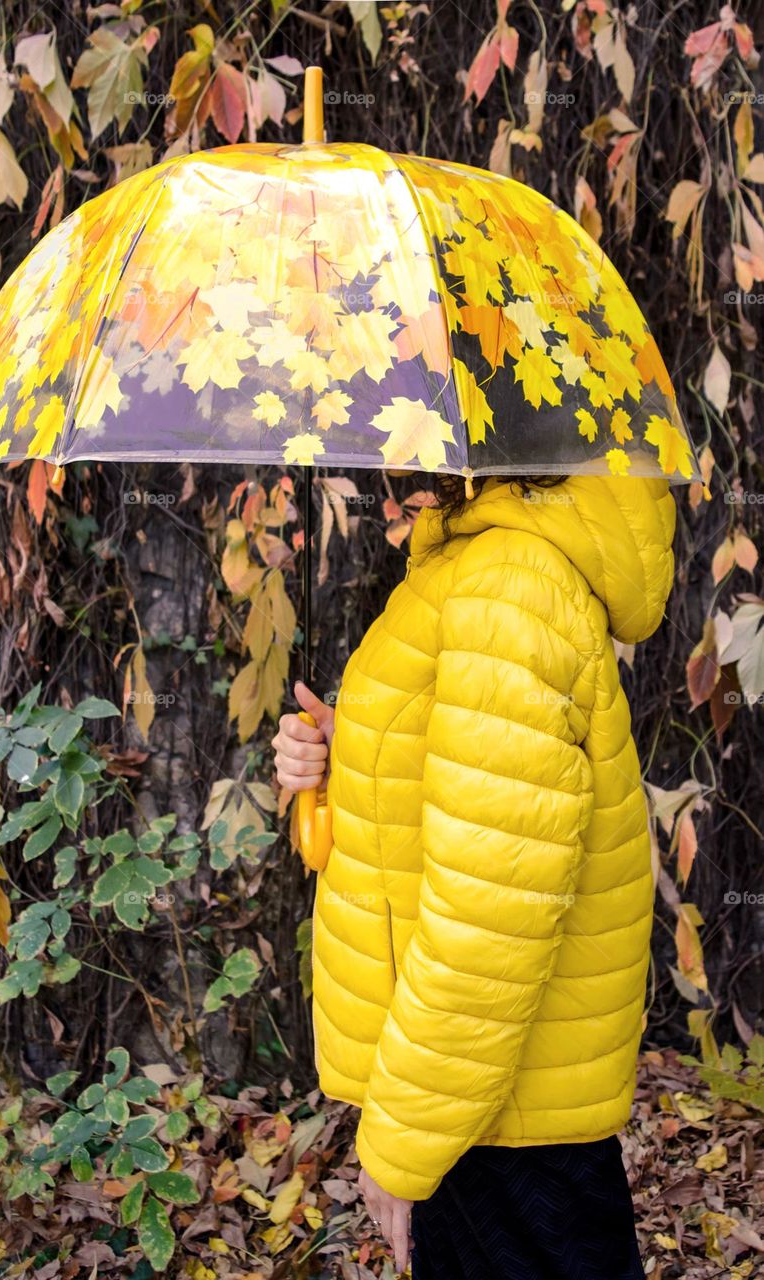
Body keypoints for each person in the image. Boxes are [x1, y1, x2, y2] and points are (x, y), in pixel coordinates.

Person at [272, 471, 677, 1279]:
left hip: (501, 1117)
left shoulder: (510, 589)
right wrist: (339, 761)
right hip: (479, 1101)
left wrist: (400, 1142)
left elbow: (490, 920)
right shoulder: (481, 567)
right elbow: (457, 826)